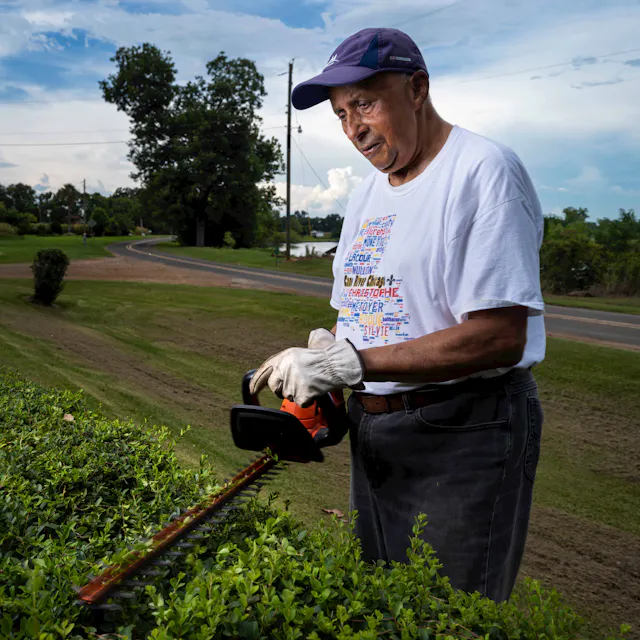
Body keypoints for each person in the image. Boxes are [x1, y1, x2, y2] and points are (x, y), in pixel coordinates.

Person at [250, 27, 546, 603]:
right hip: (376, 429)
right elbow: (357, 316)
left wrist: (351, 363)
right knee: (381, 605)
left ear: (417, 88)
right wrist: (325, 376)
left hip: (465, 427)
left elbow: (500, 337)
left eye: (364, 102)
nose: (352, 128)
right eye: (339, 113)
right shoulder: (365, 196)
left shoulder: (484, 171)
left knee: (450, 613)